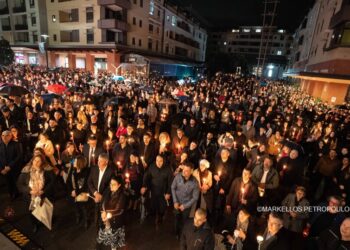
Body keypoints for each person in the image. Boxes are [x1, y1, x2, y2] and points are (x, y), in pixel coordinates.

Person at [16, 154, 56, 232]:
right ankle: (34, 224)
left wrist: (43, 191)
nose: (36, 162)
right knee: (32, 212)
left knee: (44, 209)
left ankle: (45, 220)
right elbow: (19, 184)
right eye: (35, 160)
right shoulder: (26, 170)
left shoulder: (47, 170)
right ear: (32, 161)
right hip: (30, 197)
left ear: (42, 162)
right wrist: (29, 191)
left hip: (43, 195)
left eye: (39, 161)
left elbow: (52, 182)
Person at [141, 155, 173, 224]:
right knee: (153, 204)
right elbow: (146, 176)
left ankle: (161, 217)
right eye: (157, 161)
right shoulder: (152, 167)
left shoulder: (168, 169)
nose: (158, 163)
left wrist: (168, 193)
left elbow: (171, 182)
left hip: (163, 191)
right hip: (153, 190)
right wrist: (144, 186)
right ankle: (152, 216)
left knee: (162, 206)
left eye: (160, 161)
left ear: (163, 161)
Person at [96, 175, 126, 250]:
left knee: (113, 236)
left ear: (119, 185)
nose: (111, 186)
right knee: (105, 233)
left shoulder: (122, 195)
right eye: (110, 184)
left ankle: (114, 246)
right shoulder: (107, 191)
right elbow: (102, 203)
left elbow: (119, 209)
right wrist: (102, 211)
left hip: (115, 220)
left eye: (114, 184)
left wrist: (107, 213)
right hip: (105, 218)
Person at [172, 163, 200, 239]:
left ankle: (182, 235)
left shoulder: (195, 182)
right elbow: (173, 187)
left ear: (191, 171)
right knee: (176, 219)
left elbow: (195, 197)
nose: (184, 172)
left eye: (187, 171)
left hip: (186, 206)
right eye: (183, 170)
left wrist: (185, 206)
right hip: (176, 203)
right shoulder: (178, 176)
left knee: (184, 222)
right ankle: (176, 233)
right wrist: (175, 201)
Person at [88, 153, 114, 227]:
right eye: (98, 160)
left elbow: (110, 187)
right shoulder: (94, 168)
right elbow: (89, 182)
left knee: (104, 218)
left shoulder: (111, 172)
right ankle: (97, 229)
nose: (98, 162)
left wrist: (101, 196)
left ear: (106, 162)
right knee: (96, 217)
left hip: (105, 199)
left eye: (101, 161)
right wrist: (95, 193)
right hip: (95, 197)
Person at [66, 155, 90, 229]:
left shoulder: (85, 172)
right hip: (73, 192)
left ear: (80, 163)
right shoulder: (73, 170)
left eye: (75, 161)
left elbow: (83, 185)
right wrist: (72, 191)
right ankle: (78, 216)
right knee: (75, 205)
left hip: (82, 192)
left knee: (83, 207)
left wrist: (76, 192)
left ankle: (86, 220)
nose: (74, 163)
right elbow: (68, 181)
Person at [0, 130, 22, 199]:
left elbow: (18, 157)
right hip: (3, 169)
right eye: (3, 135)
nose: (4, 137)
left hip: (14, 167)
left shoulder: (16, 144)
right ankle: (11, 194)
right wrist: (1, 169)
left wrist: (10, 166)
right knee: (8, 182)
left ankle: (16, 193)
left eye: (7, 135)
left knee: (15, 181)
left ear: (10, 136)